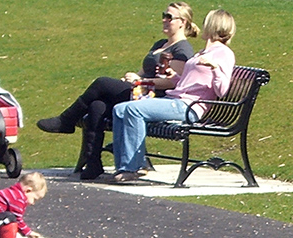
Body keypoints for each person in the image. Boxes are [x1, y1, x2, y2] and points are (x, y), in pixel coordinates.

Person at [36, 2, 200, 180]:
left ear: (182, 22)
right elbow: (144, 71)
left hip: (152, 97)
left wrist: (139, 81)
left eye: (169, 17)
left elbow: (171, 82)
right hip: (140, 89)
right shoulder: (160, 44)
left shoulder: (182, 49)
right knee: (97, 106)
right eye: (164, 15)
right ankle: (93, 163)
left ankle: (66, 120)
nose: (164, 20)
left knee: (102, 83)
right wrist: (133, 77)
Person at [111, 9, 236, 182]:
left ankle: (134, 167)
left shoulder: (223, 53)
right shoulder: (203, 52)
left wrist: (214, 67)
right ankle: (123, 166)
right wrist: (174, 76)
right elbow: (188, 81)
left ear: (213, 25)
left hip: (189, 107)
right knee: (119, 109)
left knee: (133, 110)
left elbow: (222, 90)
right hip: (175, 100)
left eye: (206, 22)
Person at [0, 172, 47, 238]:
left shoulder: (13, 193)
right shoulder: (18, 198)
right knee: (10, 218)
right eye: (35, 199)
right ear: (28, 190)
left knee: (8, 219)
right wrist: (28, 232)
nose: (33, 203)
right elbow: (17, 218)